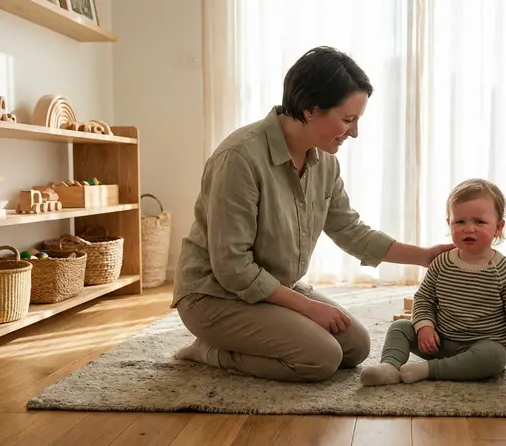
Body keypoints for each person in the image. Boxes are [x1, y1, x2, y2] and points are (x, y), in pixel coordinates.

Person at [171, 46, 453, 383]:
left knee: (355, 348)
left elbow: (350, 229)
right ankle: (210, 351)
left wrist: (423, 257)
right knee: (321, 358)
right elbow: (232, 268)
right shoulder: (239, 158)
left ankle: (250, 338)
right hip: (214, 295)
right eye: (348, 120)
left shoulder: (324, 162)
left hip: (274, 288)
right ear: (310, 109)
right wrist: (309, 307)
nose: (354, 132)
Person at [360, 178, 506, 386]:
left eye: (479, 222)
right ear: (449, 223)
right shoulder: (442, 262)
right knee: (400, 327)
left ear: (498, 227)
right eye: (460, 222)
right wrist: (424, 327)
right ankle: (390, 367)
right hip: (438, 341)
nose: (468, 229)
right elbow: (424, 298)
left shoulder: (505, 271)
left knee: (495, 356)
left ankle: (429, 370)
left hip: (479, 346)